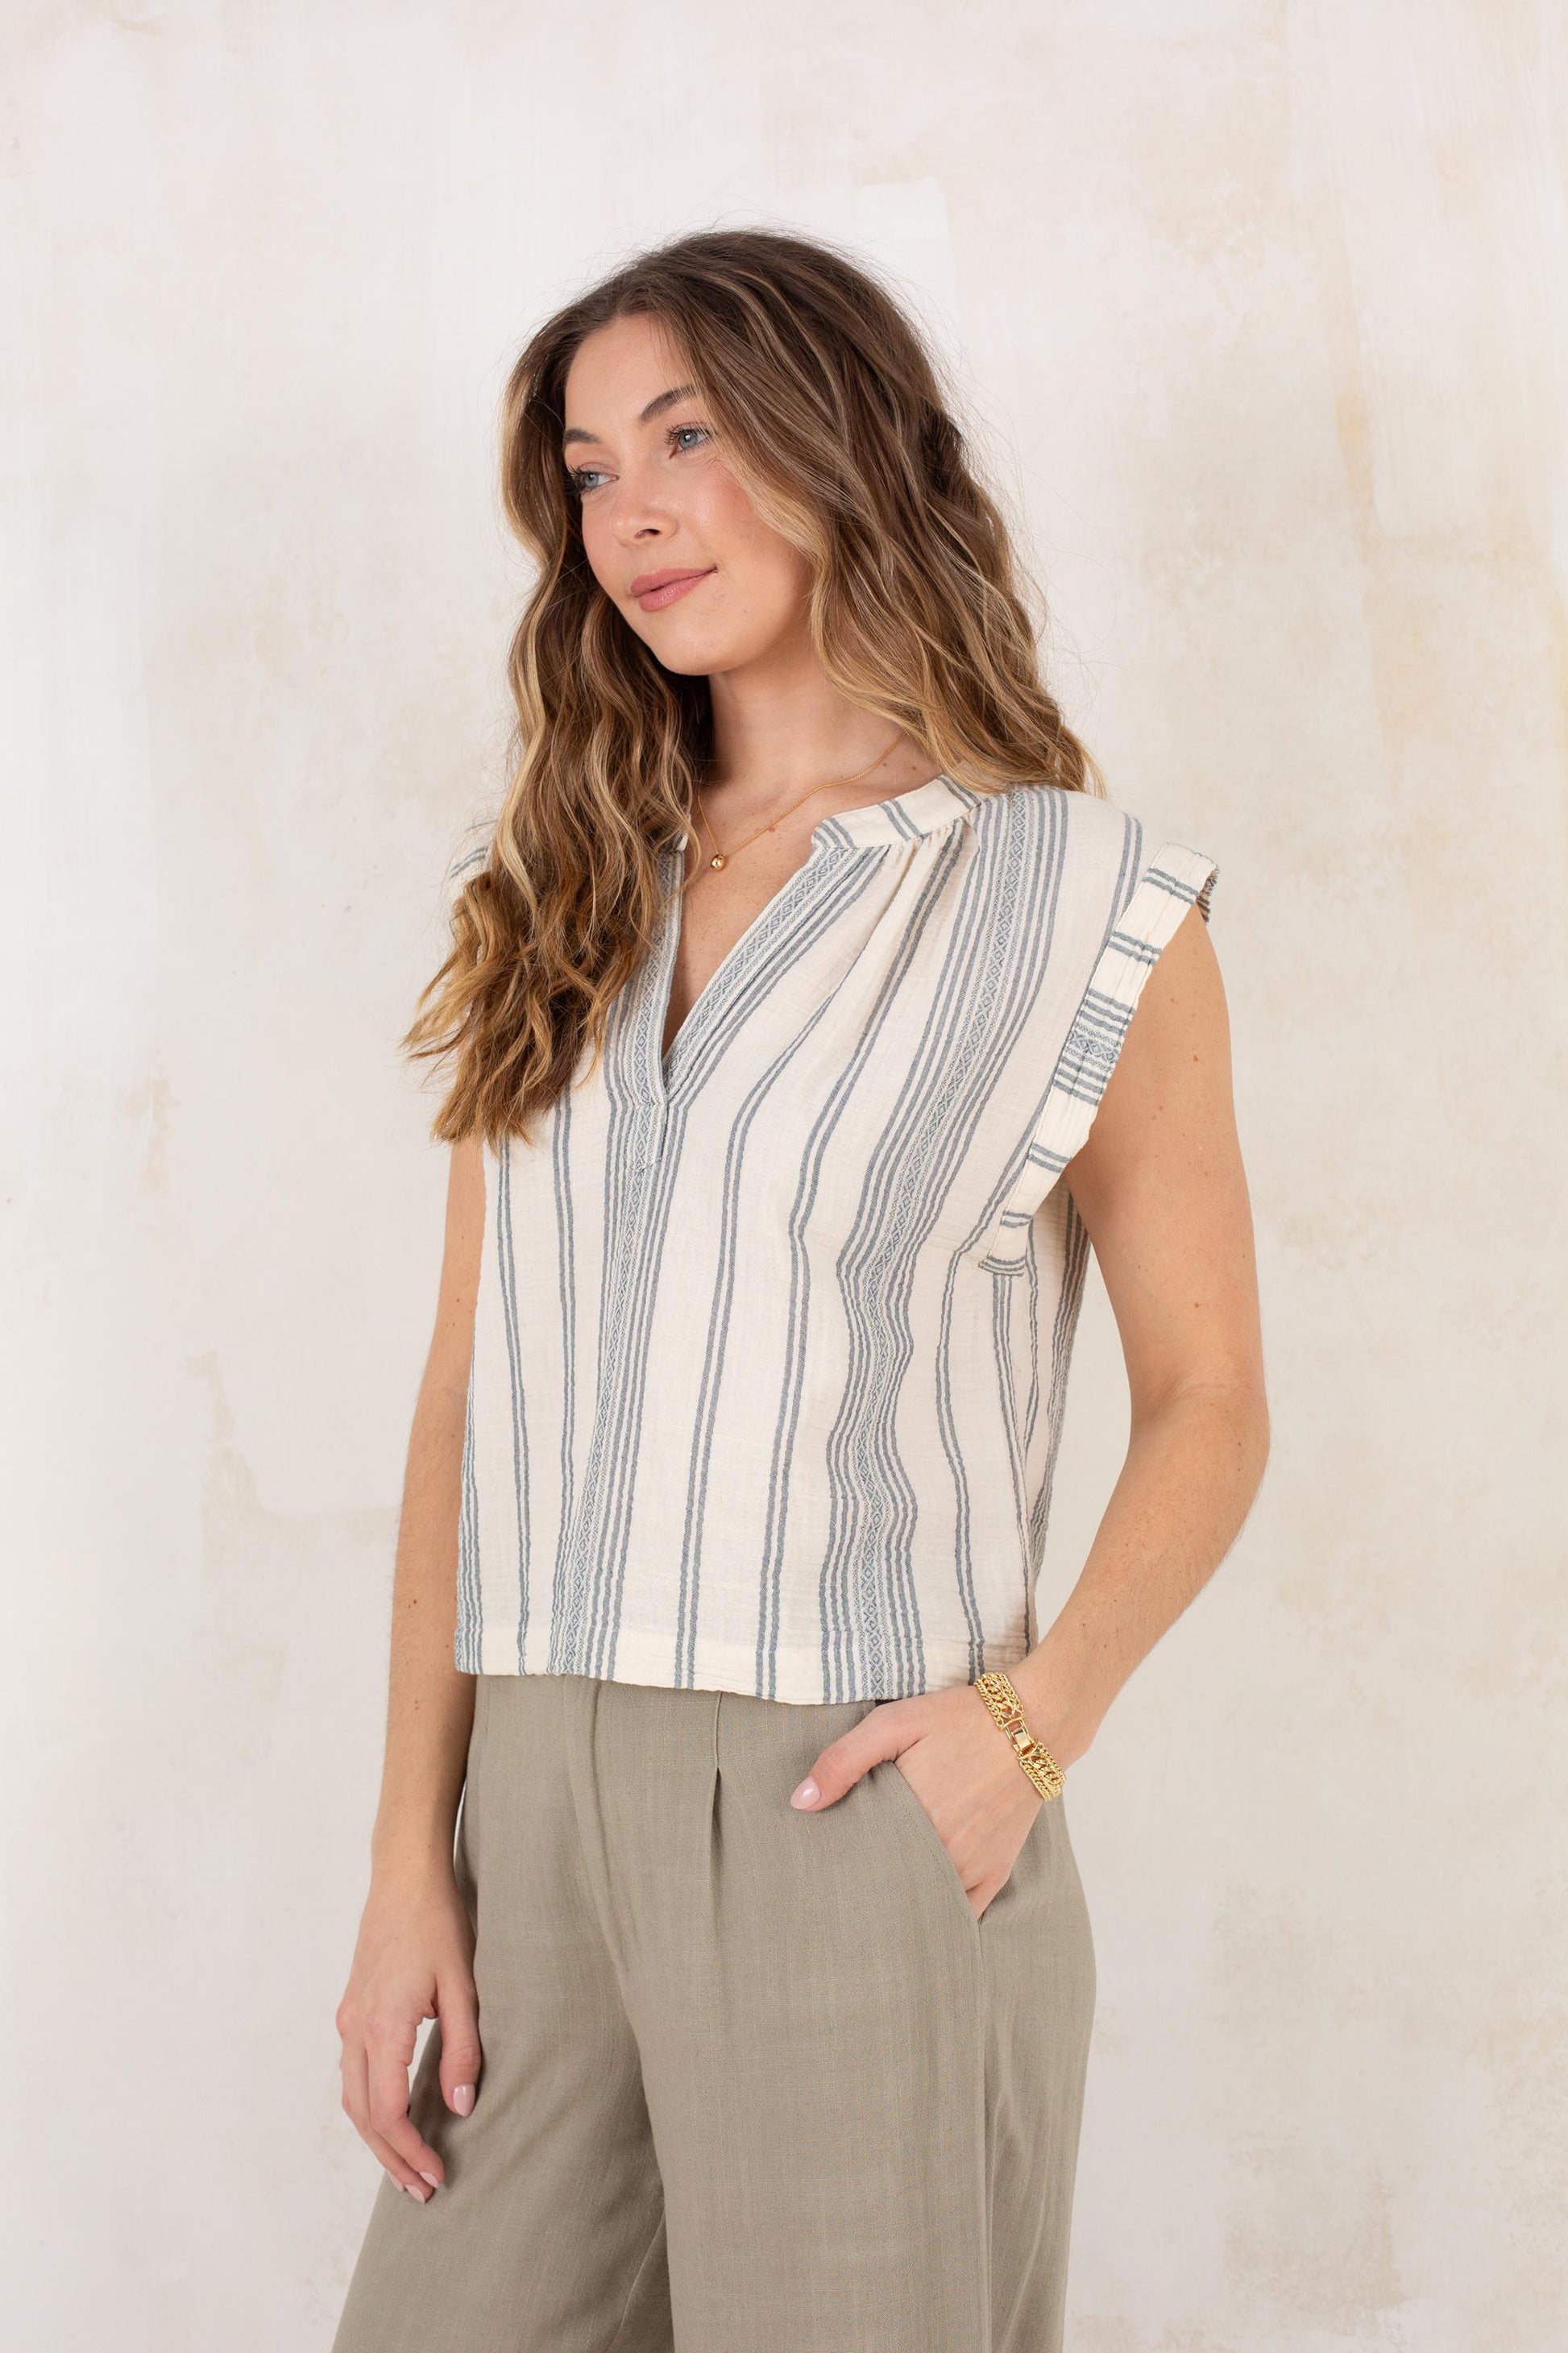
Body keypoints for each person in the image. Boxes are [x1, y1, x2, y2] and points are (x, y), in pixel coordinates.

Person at [329, 226, 1269, 2353]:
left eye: (687, 437)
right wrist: (409, 1859)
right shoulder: (567, 876)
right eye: (589, 472)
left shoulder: (1076, 898)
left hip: (852, 1792)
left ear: (840, 439)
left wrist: (1033, 1727)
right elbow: (472, 1395)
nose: (633, 514)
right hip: (530, 1801)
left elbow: (1211, 1400)